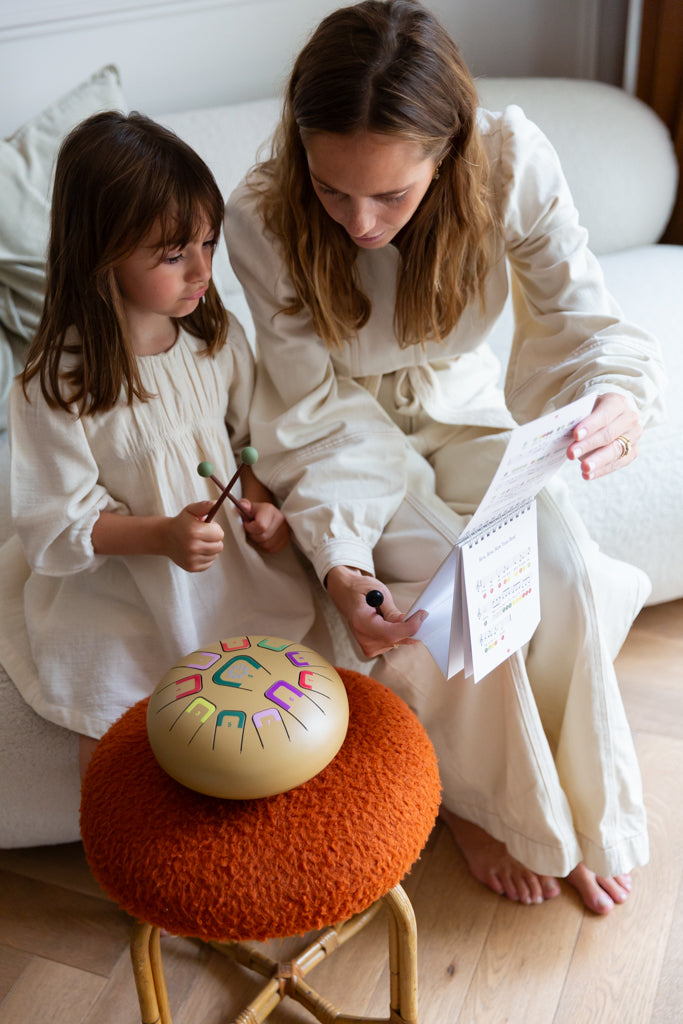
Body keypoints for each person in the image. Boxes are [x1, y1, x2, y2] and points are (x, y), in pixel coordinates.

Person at [225, 0, 666, 914]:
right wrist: (340, 558)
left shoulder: (509, 162)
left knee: (568, 571)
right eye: (332, 187)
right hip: (344, 430)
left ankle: (583, 819)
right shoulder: (262, 216)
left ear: (449, 151)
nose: (358, 222)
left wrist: (618, 400)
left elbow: (586, 319)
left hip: (462, 409)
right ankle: (481, 805)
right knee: (460, 592)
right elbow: (308, 414)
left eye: (390, 193)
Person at [0, 111, 325, 780]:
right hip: (123, 584)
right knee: (115, 727)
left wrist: (260, 508)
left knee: (275, 704)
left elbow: (243, 445)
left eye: (208, 242)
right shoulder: (55, 385)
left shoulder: (215, 339)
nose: (203, 269)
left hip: (225, 568)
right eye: (175, 255)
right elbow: (59, 524)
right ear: (101, 251)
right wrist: (161, 538)